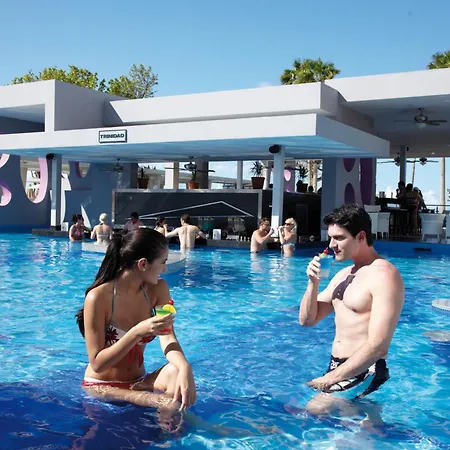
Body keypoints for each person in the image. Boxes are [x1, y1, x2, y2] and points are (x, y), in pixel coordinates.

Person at [299, 204, 404, 416]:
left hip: (364, 369)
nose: (332, 245)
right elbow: (307, 320)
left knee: (312, 412)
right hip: (338, 367)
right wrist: (313, 283)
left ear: (361, 236)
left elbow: (378, 345)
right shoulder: (344, 274)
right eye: (331, 238)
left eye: (339, 238)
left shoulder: (384, 275)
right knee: (347, 426)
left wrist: (328, 379)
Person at [75, 228, 196, 410]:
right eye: (163, 262)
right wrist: (137, 332)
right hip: (102, 386)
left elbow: (168, 337)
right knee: (170, 405)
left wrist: (185, 367)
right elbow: (97, 364)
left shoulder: (158, 289)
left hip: (138, 381)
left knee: (177, 372)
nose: (165, 269)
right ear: (143, 264)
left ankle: (170, 426)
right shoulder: (98, 297)